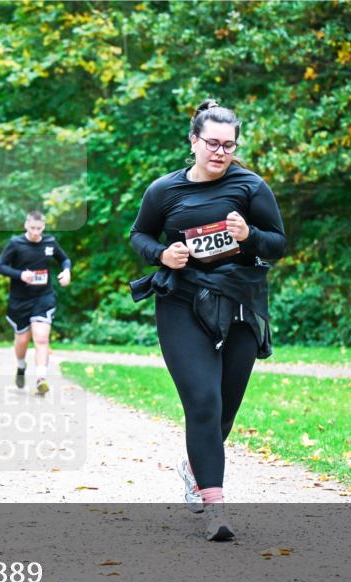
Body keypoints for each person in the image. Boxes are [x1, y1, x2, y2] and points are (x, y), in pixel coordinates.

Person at [129, 99, 287, 541]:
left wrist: (249, 236)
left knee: (224, 408)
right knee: (202, 401)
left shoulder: (251, 187)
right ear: (193, 141)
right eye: (213, 143)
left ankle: (194, 464)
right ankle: (215, 506)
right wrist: (161, 253)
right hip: (182, 301)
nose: (221, 152)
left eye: (229, 145)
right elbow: (138, 234)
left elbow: (277, 243)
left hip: (238, 302)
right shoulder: (164, 190)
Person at [0, 211, 71, 394]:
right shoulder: (16, 243)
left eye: (39, 228)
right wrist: (20, 274)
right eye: (32, 228)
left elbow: (64, 259)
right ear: (26, 226)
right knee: (22, 340)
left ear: (43, 227)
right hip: (20, 300)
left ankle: (41, 378)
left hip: (43, 297)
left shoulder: (50, 243)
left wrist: (67, 271)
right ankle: (21, 367)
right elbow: (0, 266)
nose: (36, 232)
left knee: (41, 337)